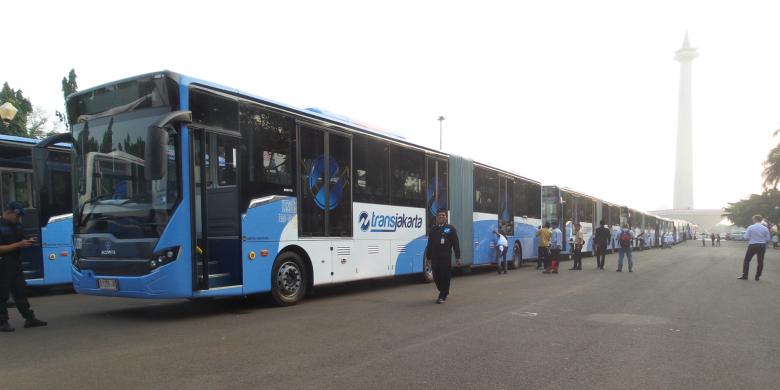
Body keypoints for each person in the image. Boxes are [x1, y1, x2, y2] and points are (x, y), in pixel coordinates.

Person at [1, 202, 48, 332]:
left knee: (20, 292)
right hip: (3, 264)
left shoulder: (17, 226)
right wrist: (18, 244)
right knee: (2, 293)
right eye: (17, 216)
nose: (19, 219)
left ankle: (29, 318)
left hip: (15, 263)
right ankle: (2, 322)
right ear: (8, 212)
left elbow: (21, 240)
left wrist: (29, 241)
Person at [425, 209, 461, 303]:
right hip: (435, 258)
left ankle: (442, 295)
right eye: (439, 215)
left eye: (443, 215)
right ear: (436, 218)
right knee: (436, 276)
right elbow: (430, 244)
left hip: (446, 257)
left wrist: (458, 257)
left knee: (445, 275)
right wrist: (428, 258)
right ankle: (443, 290)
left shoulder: (451, 229)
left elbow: (456, 244)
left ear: (446, 217)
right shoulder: (433, 230)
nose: (441, 217)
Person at [738, 214, 771, 281]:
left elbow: (746, 237)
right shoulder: (765, 228)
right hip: (762, 245)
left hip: (753, 245)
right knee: (760, 261)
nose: (752, 220)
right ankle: (757, 277)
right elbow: (768, 239)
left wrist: (752, 238)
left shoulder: (751, 227)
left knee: (747, 260)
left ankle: (745, 275)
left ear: (755, 219)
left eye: (753, 219)